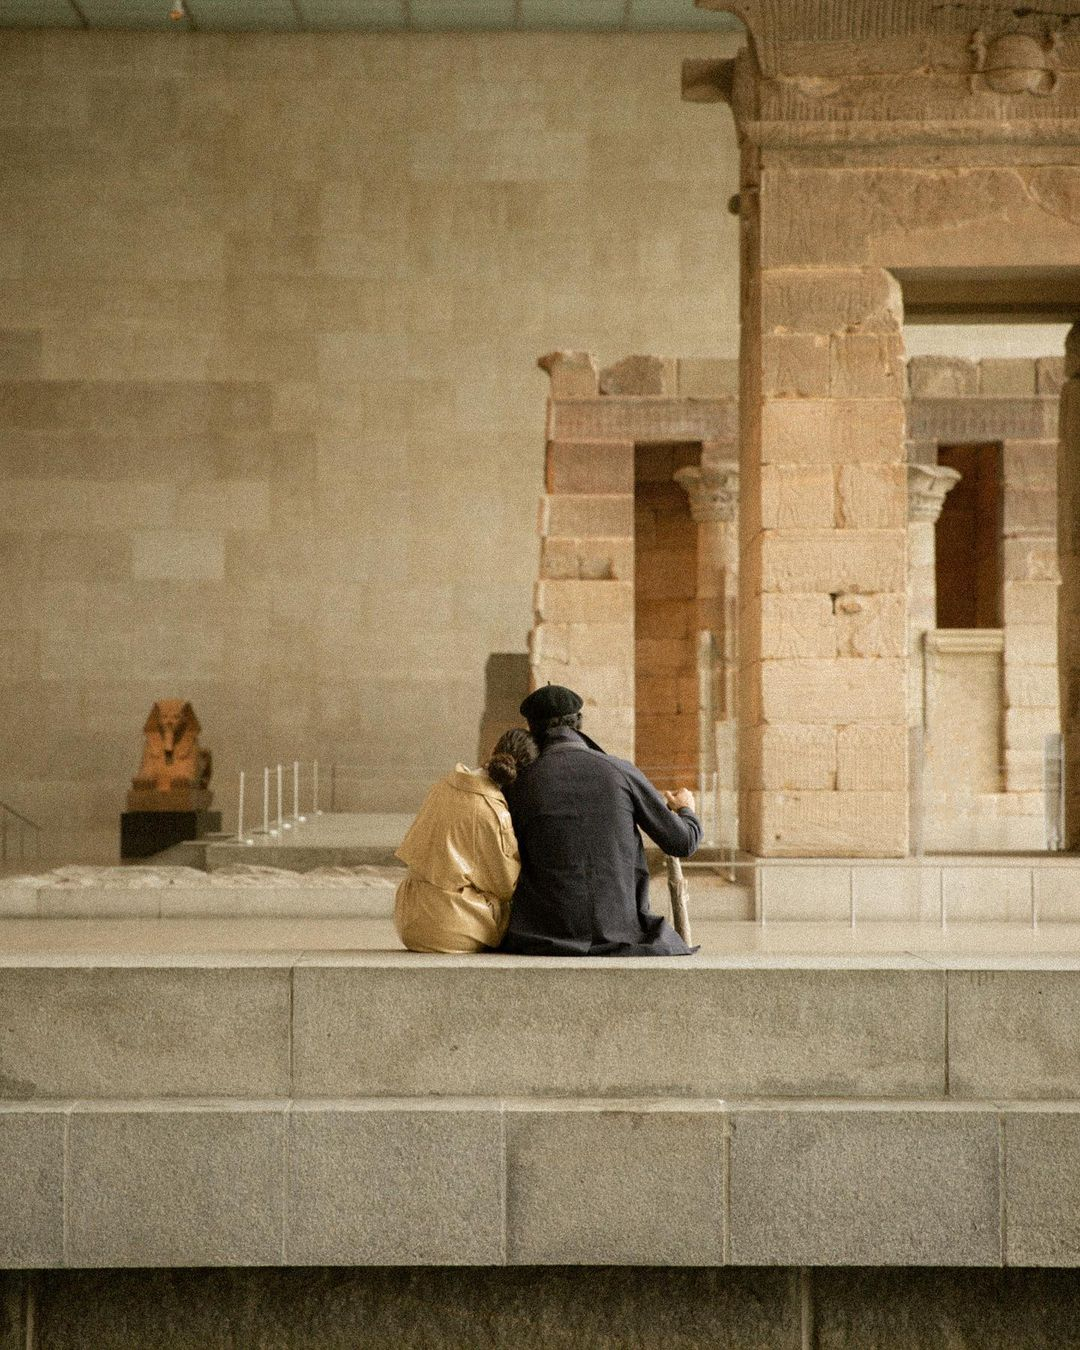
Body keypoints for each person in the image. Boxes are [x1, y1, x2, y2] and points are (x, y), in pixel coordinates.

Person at [497, 684, 702, 957]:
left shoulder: (519, 785)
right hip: (622, 933)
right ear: (579, 722)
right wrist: (686, 809)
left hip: (542, 937)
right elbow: (683, 842)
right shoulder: (619, 771)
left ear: (531, 729)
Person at [394, 728, 537, 954]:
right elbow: (505, 885)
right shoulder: (493, 811)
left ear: (493, 751)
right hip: (452, 925)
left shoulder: (444, 784)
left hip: (408, 918)